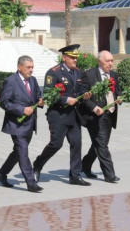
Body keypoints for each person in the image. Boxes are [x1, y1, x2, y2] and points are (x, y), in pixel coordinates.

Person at [33, 44, 91, 186]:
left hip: (74, 115)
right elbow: (48, 95)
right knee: (56, 144)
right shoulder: (54, 73)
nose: (74, 60)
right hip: (58, 115)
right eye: (72, 58)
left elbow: (81, 90)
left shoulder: (78, 72)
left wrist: (86, 96)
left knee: (76, 144)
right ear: (63, 58)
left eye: (76, 58)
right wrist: (65, 99)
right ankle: (38, 164)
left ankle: (75, 175)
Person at [0, 56, 45, 193]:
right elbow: (4, 103)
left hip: (29, 123)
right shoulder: (11, 81)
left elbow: (37, 96)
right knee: (23, 152)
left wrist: (40, 102)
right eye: (28, 67)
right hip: (16, 124)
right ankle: (31, 182)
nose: (31, 70)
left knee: (18, 152)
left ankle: (1, 174)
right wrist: (21, 110)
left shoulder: (33, 80)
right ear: (19, 67)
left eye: (32, 67)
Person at [79, 50, 122, 183]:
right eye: (107, 61)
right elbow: (83, 96)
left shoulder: (113, 74)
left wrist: (120, 97)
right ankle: (109, 175)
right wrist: (94, 107)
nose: (110, 63)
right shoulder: (89, 75)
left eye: (112, 60)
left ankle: (85, 165)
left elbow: (118, 90)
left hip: (110, 115)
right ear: (99, 61)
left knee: (99, 144)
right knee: (102, 145)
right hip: (95, 117)